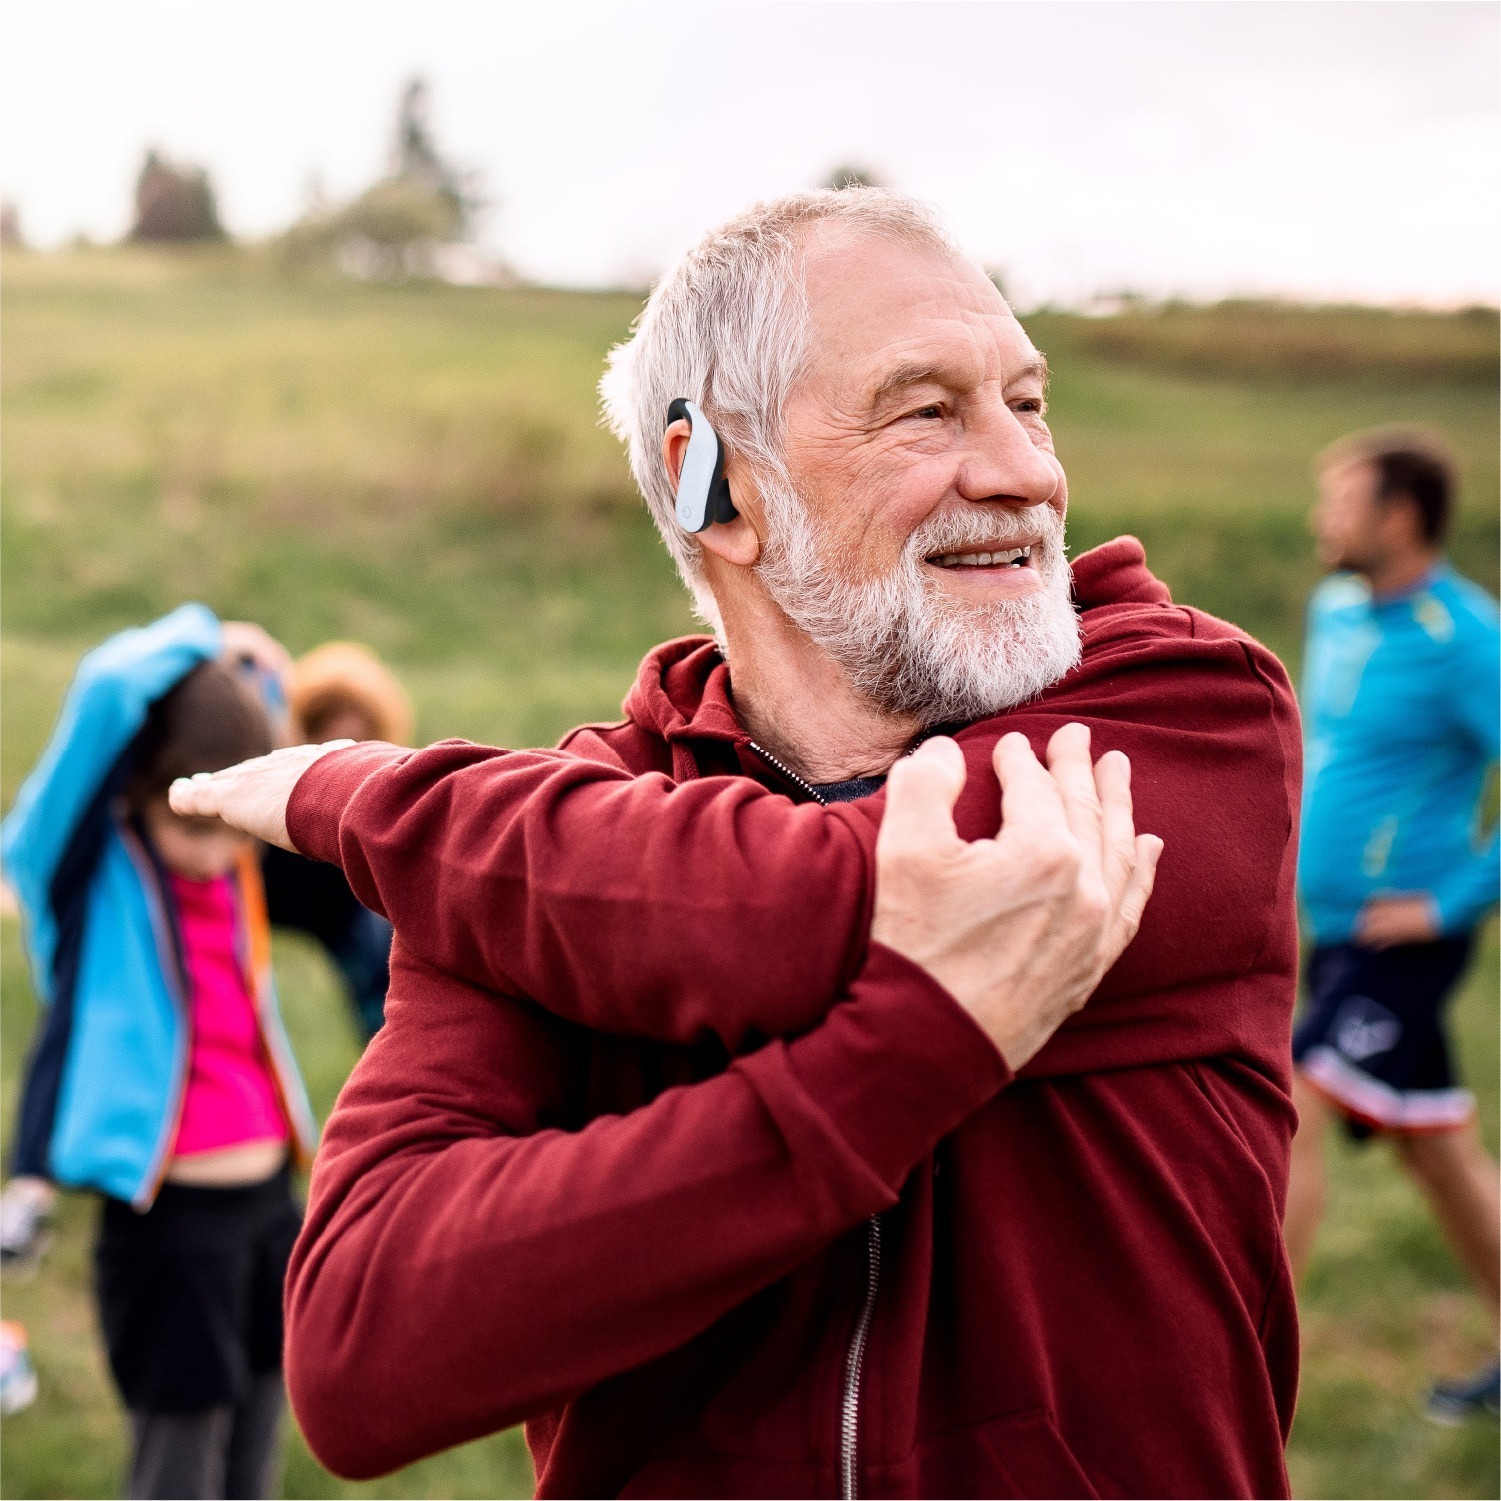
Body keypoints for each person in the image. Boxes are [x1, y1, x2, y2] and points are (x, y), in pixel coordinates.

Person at [176, 189, 1303, 1498]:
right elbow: (362, 1354)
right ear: (708, 484)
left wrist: (367, 797)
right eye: (927, 409)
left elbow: (812, 910)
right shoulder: (550, 852)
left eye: (1028, 401)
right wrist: (905, 1056)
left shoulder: (1185, 707)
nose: (1024, 471)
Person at [0, 607, 319, 1500]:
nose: (224, 854)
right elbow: (109, 684)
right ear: (142, 788)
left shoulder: (231, 865)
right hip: (171, 1227)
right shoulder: (84, 870)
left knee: (257, 1447)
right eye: (199, 826)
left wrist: (259, 682)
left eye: (233, 829)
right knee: (180, 1464)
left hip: (269, 1205)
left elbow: (267, 737)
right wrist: (217, 634)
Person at [1284, 428, 1500, 1422]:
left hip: (1401, 939)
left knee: (1291, 1100)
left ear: (1397, 518)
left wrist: (1448, 901)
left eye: (1341, 501)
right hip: (1332, 929)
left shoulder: (1467, 639)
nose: (1322, 519)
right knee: (1438, 1148)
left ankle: (1243, 1363)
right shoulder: (1336, 610)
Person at [261, 642, 413, 1040]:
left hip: (336, 900)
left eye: (360, 749)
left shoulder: (375, 819)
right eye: (326, 746)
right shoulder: (262, 795)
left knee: (386, 987)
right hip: (265, 882)